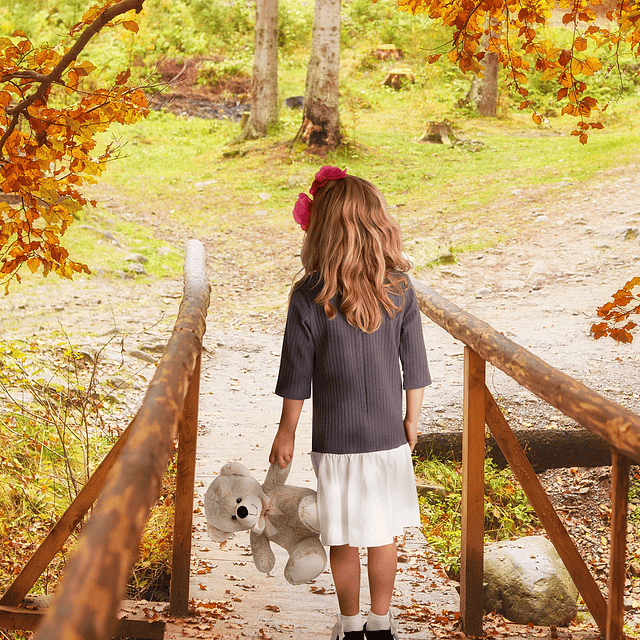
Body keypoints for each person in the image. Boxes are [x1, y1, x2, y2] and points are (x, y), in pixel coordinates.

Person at [269, 166, 431, 640]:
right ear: (376, 224)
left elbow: (296, 375)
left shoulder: (308, 295)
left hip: (334, 439)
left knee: (340, 536)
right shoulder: (399, 289)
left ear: (323, 229)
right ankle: (382, 627)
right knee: (383, 536)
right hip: (387, 437)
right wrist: (411, 421)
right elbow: (415, 368)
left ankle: (351, 626)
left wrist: (286, 430)